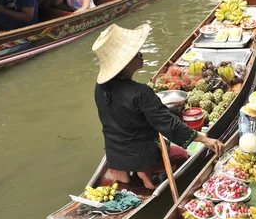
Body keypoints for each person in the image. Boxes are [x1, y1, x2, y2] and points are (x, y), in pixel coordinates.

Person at [93, 23, 225, 190]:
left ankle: (131, 174)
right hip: (141, 154)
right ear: (125, 64)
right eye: (136, 54)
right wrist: (204, 139)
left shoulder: (100, 87)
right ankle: (146, 171)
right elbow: (169, 125)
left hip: (115, 153)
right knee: (182, 155)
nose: (141, 55)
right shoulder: (141, 92)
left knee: (127, 163)